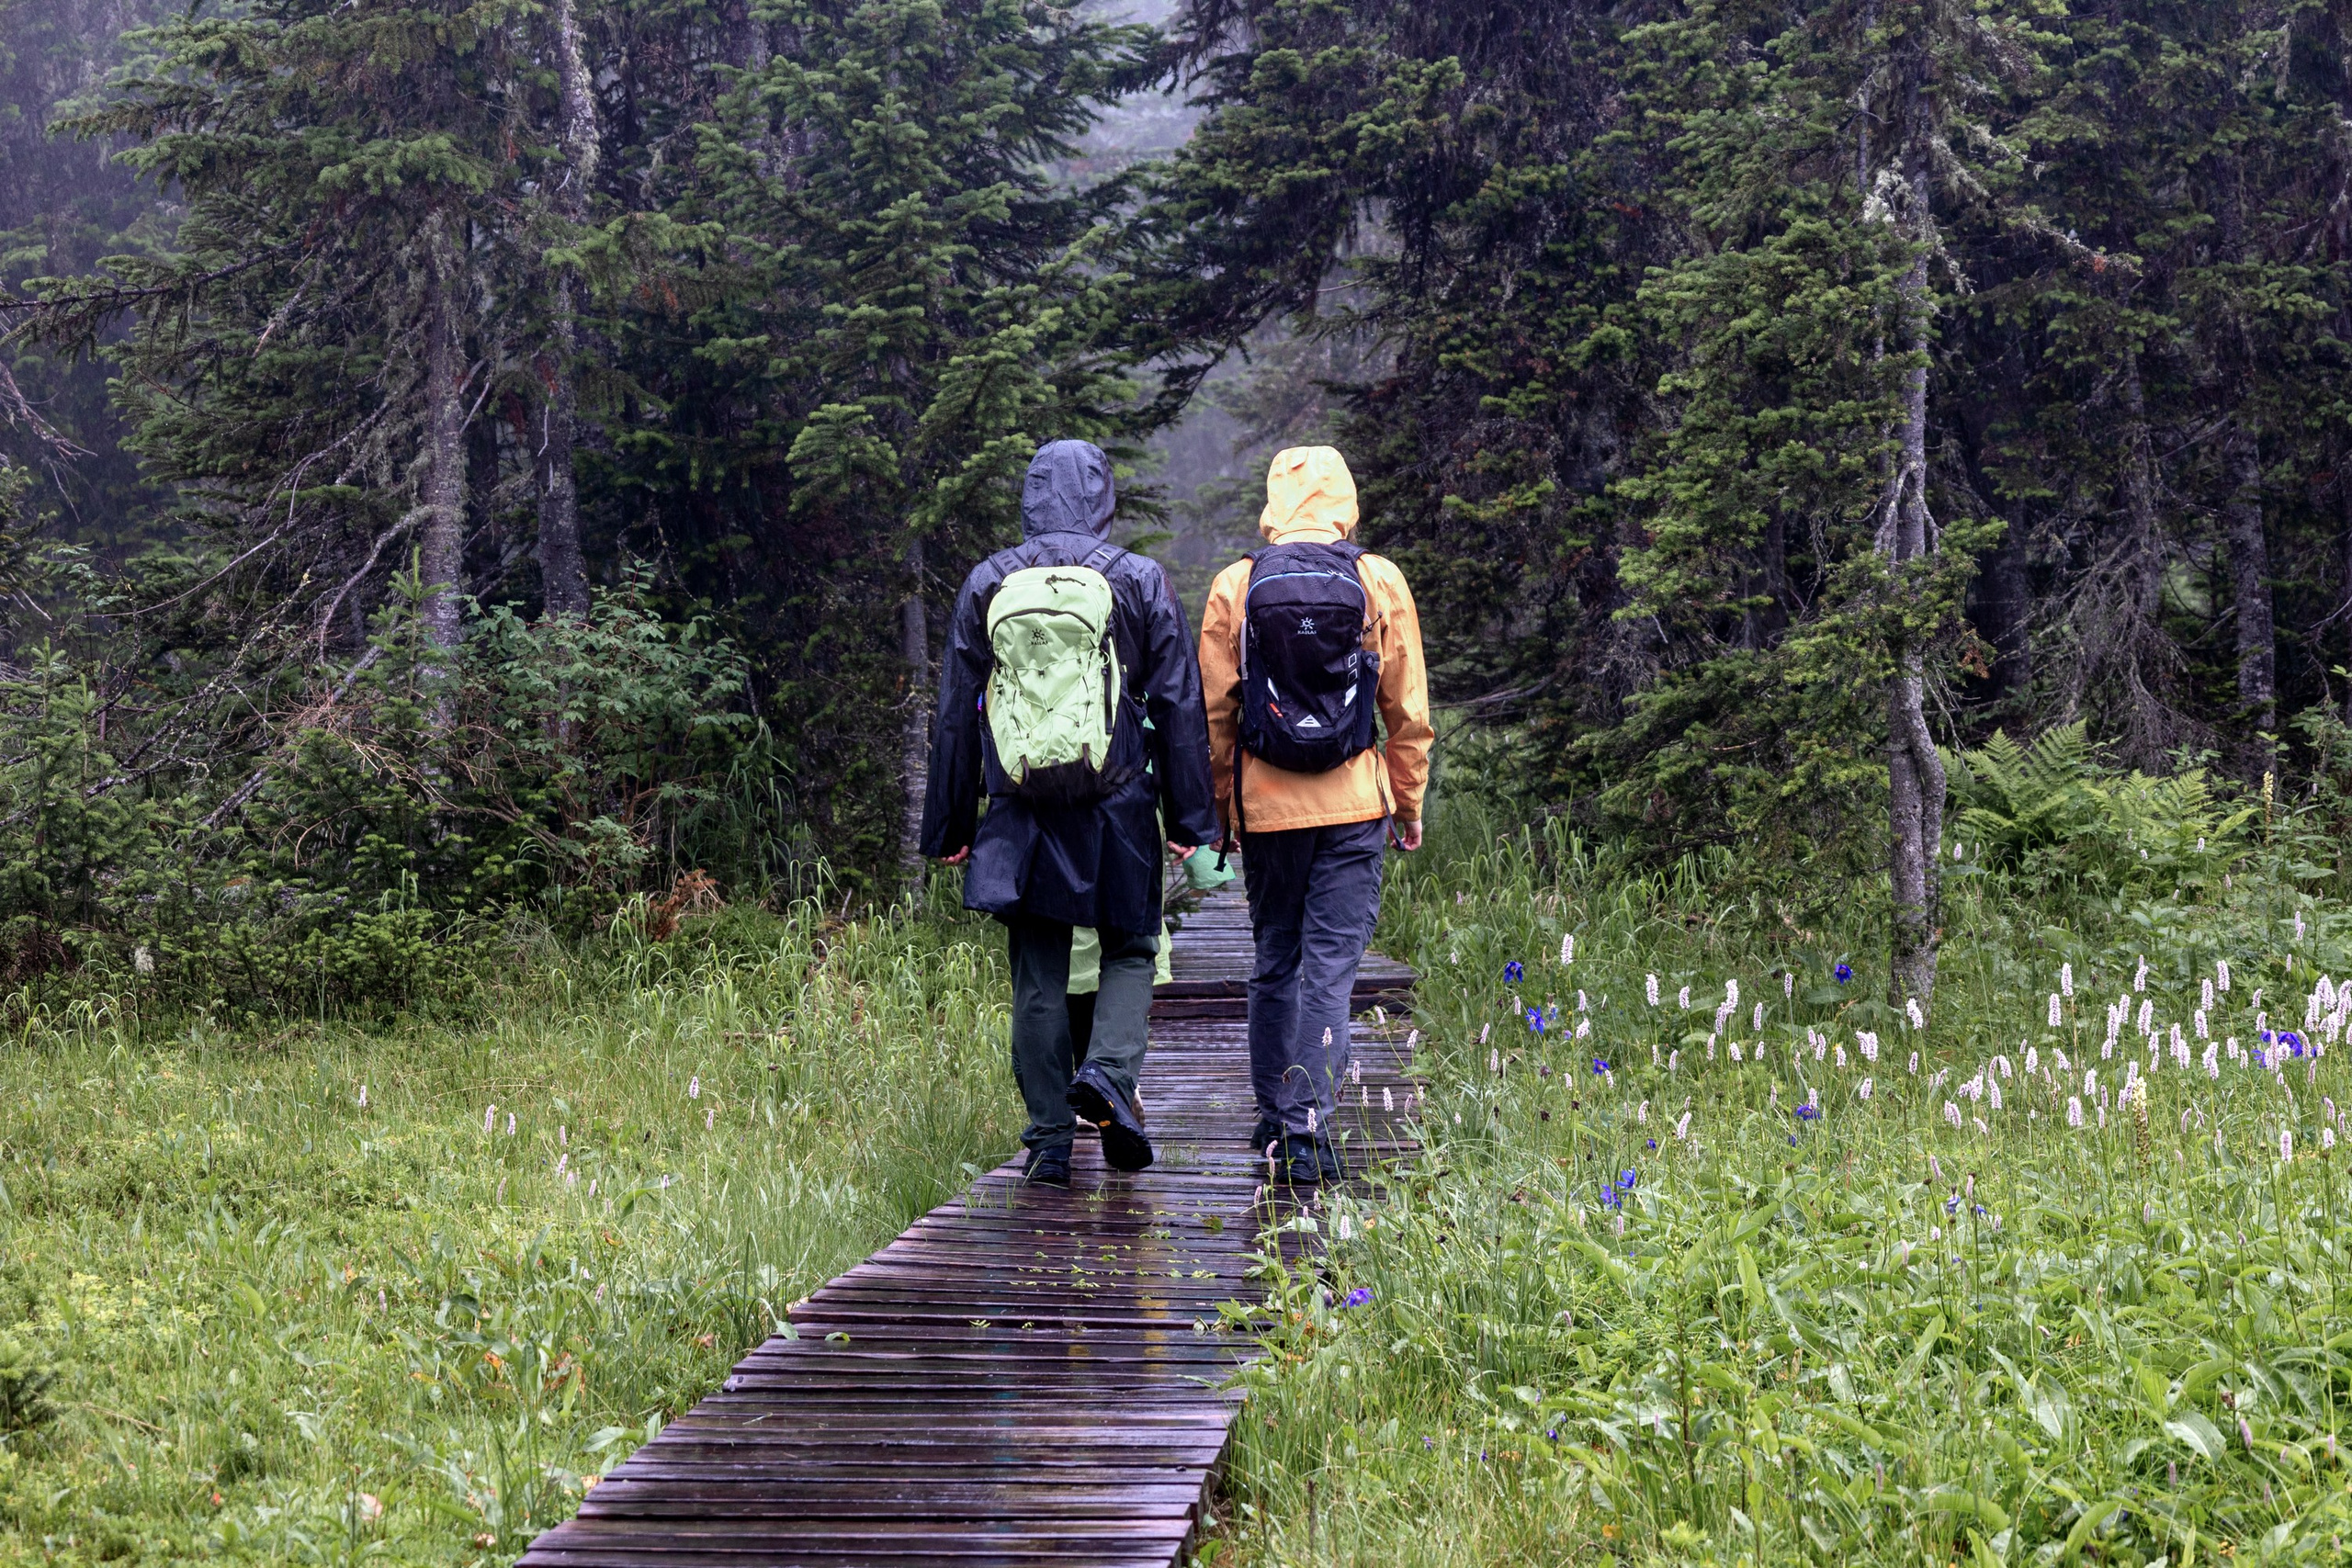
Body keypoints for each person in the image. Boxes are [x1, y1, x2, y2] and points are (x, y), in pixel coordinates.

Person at [920, 439, 1218, 1187]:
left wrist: (951, 824)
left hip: (1020, 809)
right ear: (1103, 499)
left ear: (1029, 498)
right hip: (1119, 801)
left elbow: (957, 714)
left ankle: (1051, 1140)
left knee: (1038, 970)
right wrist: (1192, 820)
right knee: (1128, 946)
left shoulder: (989, 580)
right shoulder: (1141, 580)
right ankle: (1110, 1077)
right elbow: (1180, 704)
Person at [1199, 446, 1430, 1185]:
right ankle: (1307, 1130)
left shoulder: (1236, 586)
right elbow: (1406, 707)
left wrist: (1222, 811)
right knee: (1330, 969)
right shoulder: (1376, 580)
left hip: (1268, 809)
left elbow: (1215, 717)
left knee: (1275, 961)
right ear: (1346, 498)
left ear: (1273, 501)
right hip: (1355, 803)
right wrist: (1408, 800)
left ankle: (1274, 1115)